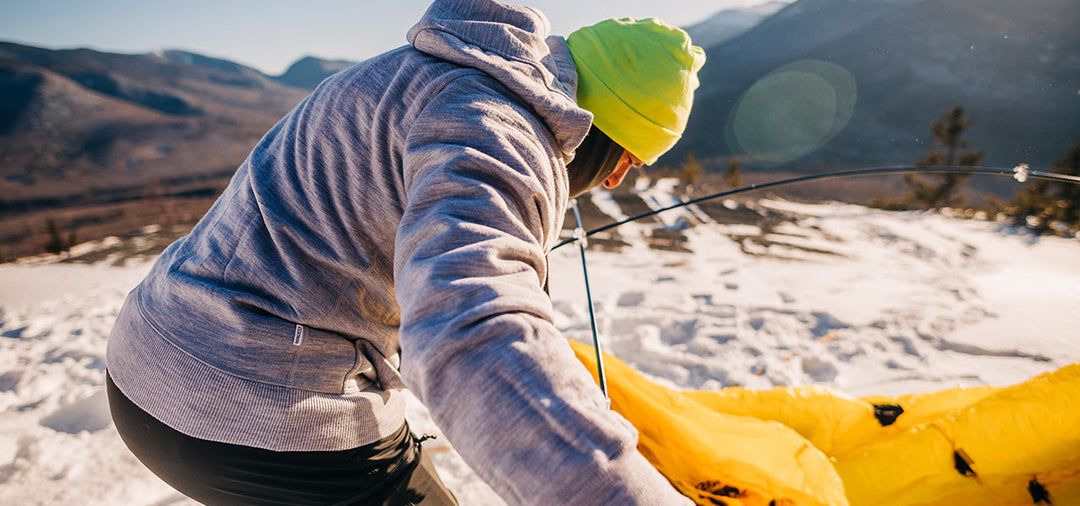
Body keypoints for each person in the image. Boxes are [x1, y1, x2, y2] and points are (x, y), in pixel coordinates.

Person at [106, 0, 705, 504]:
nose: (615, 181)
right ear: (606, 126)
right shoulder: (496, 130)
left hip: (149, 356)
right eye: (630, 157)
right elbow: (469, 329)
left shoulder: (426, 70)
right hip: (252, 404)